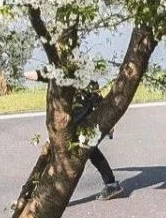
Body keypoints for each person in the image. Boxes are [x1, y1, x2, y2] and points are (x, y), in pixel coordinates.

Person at [23, 70, 124, 198]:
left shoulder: (77, 82)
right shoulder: (74, 79)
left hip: (76, 129)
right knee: (92, 152)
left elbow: (98, 102)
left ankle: (38, 193)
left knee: (60, 156)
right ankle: (111, 184)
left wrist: (109, 125)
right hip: (79, 128)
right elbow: (40, 75)